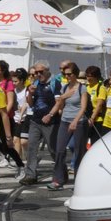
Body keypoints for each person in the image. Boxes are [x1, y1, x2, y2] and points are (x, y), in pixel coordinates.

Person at [43, 60, 85, 191]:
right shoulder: (65, 88)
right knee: (60, 150)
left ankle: (79, 181)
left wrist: (75, 121)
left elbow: (83, 108)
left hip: (79, 122)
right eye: (65, 74)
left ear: (75, 74)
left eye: (70, 74)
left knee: (78, 152)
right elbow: (59, 104)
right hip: (65, 120)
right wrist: (50, 114)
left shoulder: (82, 88)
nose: (67, 77)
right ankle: (58, 179)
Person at [20, 62, 54, 185]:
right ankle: (30, 175)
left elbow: (59, 102)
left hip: (50, 121)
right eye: (36, 73)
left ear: (47, 71)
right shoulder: (35, 84)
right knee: (31, 147)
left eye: (41, 72)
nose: (38, 75)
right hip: (35, 120)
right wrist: (30, 93)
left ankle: (61, 171)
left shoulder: (54, 83)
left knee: (53, 149)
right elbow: (30, 104)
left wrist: (50, 115)